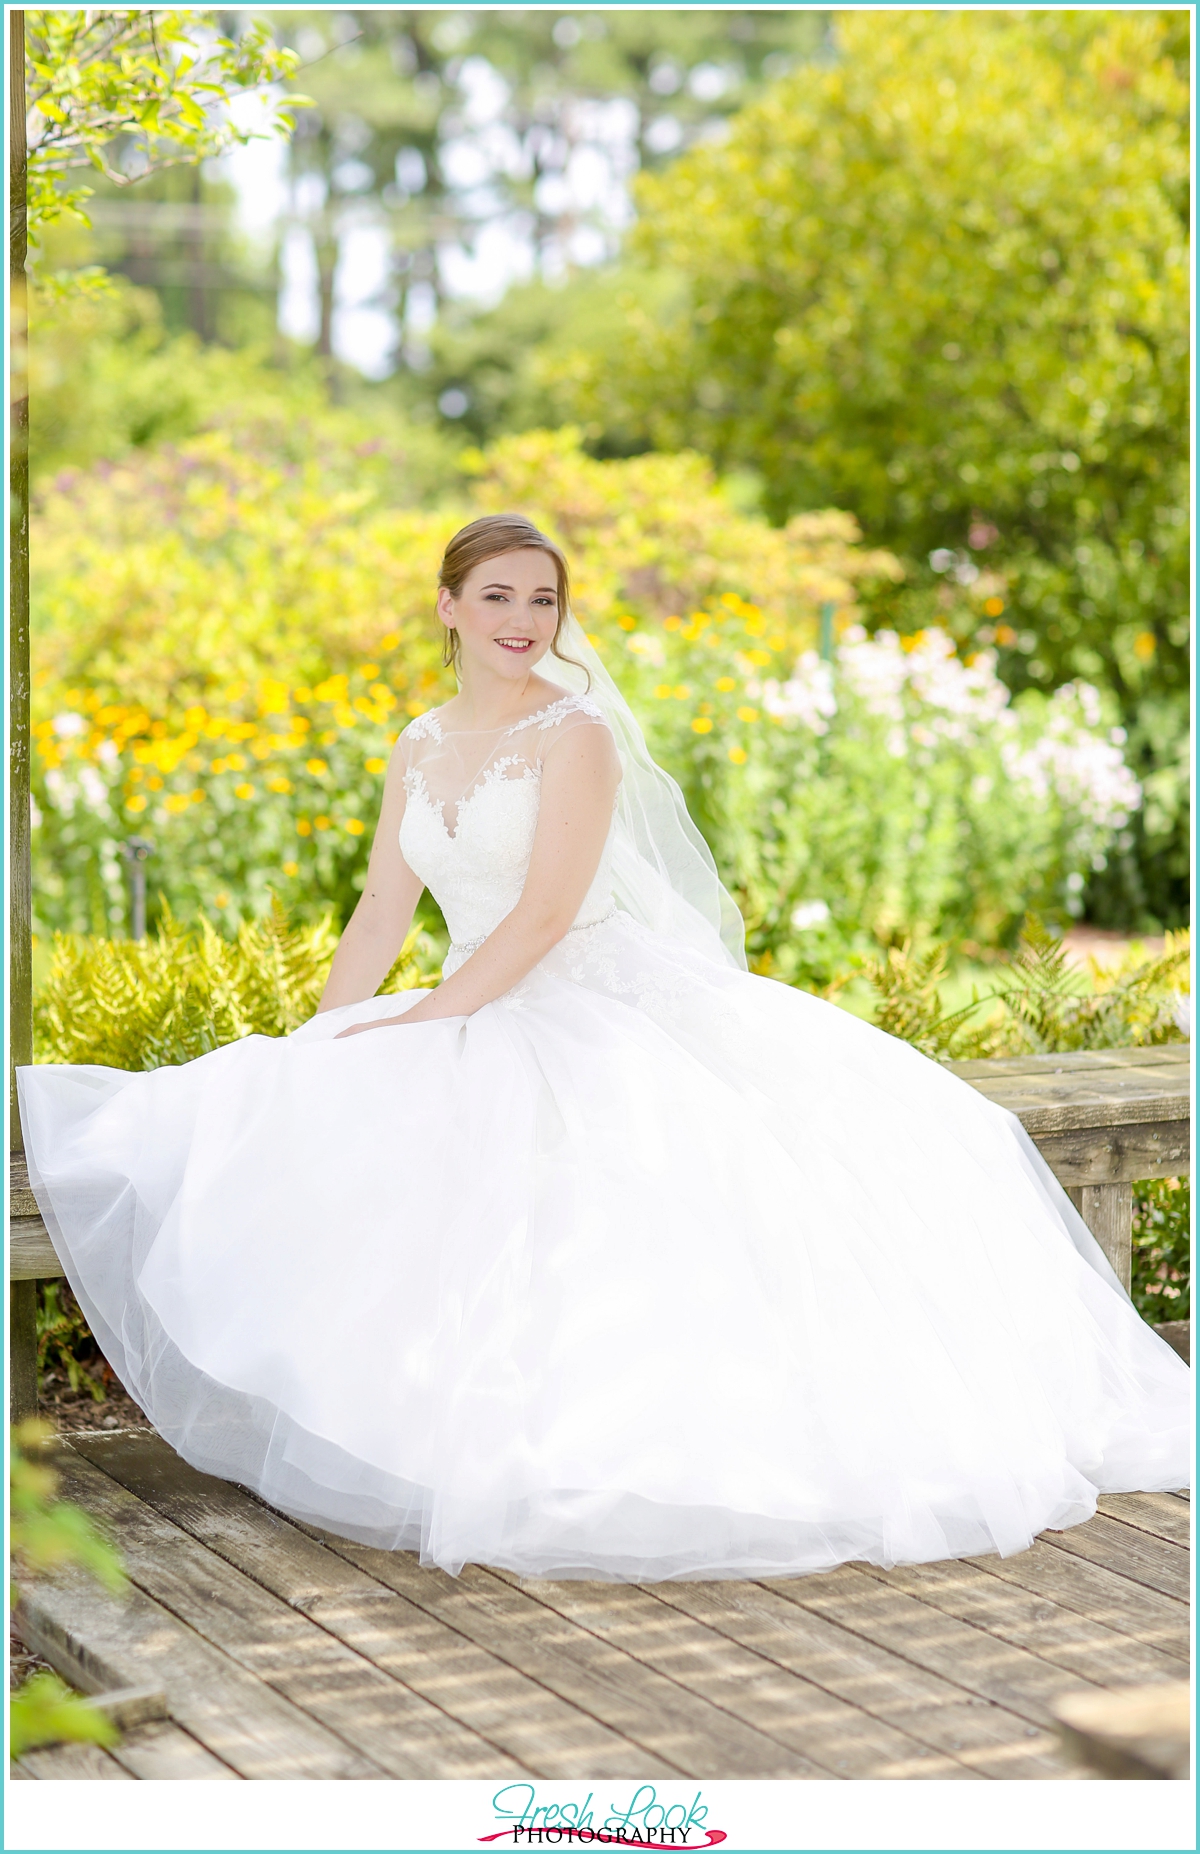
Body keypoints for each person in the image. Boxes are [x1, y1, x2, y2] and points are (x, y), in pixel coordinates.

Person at [17, 514, 1189, 1583]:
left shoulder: (574, 737)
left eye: (543, 601)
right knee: (283, 1100)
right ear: (448, 609)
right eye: (497, 599)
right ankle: (405, 1426)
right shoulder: (417, 745)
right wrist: (331, 1025)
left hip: (575, 992)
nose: (524, 623)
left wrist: (435, 1016)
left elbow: (540, 916)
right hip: (476, 987)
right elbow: (383, 908)